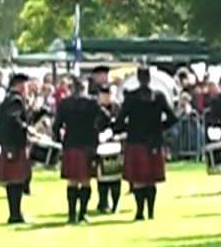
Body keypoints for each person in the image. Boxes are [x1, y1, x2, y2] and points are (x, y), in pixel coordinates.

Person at [115, 67, 178, 221]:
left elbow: (119, 122)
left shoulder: (131, 97)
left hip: (136, 141)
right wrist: (160, 128)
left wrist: (127, 128)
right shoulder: (159, 96)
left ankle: (139, 212)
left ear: (138, 78)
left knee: (138, 180)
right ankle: (150, 212)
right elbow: (173, 118)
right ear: (150, 79)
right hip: (154, 142)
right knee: (151, 179)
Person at [53, 77, 101, 224]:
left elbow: (56, 125)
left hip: (71, 144)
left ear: (73, 88)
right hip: (88, 145)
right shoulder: (93, 103)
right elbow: (104, 119)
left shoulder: (65, 103)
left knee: (72, 181)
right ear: (84, 87)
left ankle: (71, 215)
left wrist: (60, 141)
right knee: (86, 181)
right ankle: (83, 214)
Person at [0, 74, 32, 224]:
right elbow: (14, 120)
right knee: (15, 181)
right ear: (20, 85)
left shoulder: (9, 99)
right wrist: (27, 129)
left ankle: (16, 213)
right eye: (26, 85)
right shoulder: (15, 100)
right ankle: (15, 214)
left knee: (15, 181)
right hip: (14, 145)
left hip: (10, 144)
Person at [95, 84, 121, 214]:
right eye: (105, 95)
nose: (107, 97)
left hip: (115, 145)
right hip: (99, 146)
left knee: (115, 177)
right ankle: (103, 202)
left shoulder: (117, 108)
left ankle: (115, 203)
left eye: (109, 94)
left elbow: (121, 125)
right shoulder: (95, 109)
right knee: (101, 177)